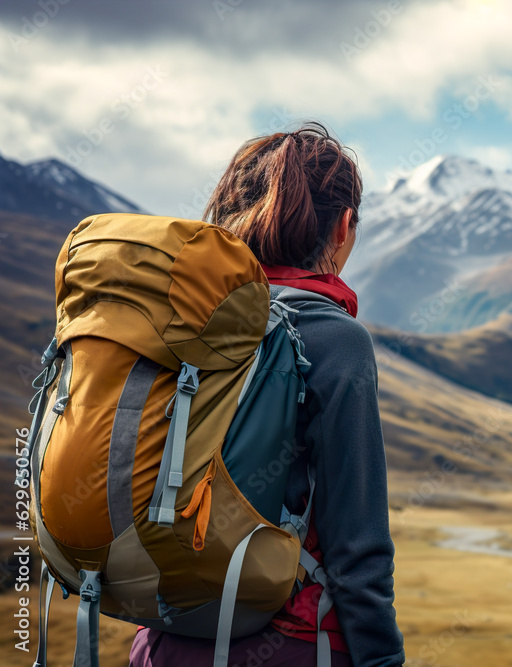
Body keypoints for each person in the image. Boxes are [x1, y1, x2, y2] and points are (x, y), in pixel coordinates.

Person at [128, 122, 406, 667]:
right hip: (292, 646)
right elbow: (359, 549)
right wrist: (381, 659)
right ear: (344, 227)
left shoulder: (174, 323)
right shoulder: (335, 342)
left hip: (158, 643)